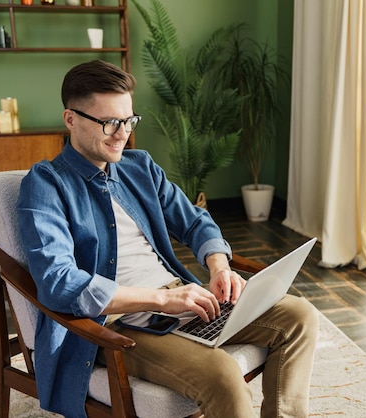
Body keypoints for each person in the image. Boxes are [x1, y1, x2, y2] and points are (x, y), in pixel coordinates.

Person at [17, 59, 318, 418]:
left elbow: (194, 222)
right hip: (117, 326)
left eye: (128, 120)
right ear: (71, 119)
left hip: (182, 303)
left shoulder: (139, 167)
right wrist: (163, 299)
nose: (122, 133)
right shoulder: (45, 185)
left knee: (299, 316)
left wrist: (218, 267)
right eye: (110, 122)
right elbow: (59, 283)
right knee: (222, 375)